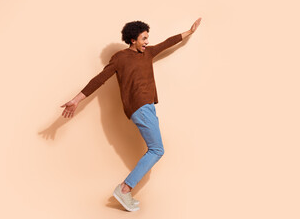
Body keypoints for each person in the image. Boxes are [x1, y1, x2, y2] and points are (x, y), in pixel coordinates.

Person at [61, 18, 202, 211]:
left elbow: (167, 42)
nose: (147, 42)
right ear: (132, 39)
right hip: (139, 107)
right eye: (144, 38)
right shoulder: (120, 58)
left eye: (147, 38)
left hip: (149, 106)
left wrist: (189, 31)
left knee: (155, 149)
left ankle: (125, 190)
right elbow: (99, 79)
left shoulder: (148, 52)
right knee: (157, 150)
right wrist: (76, 100)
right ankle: (125, 189)